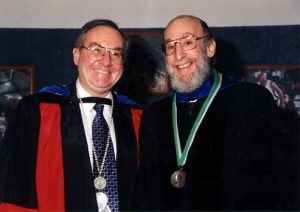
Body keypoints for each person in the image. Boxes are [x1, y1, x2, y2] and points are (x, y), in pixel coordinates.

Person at [136, 15, 299, 210]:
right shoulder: (154, 115)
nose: (178, 55)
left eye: (188, 42)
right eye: (170, 46)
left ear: (210, 47)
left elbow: (279, 186)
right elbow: (145, 194)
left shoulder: (251, 101)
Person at [0, 19, 142, 211]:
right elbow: (13, 188)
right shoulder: (35, 111)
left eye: (115, 53)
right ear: (76, 55)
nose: (106, 61)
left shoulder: (138, 117)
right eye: (96, 49)